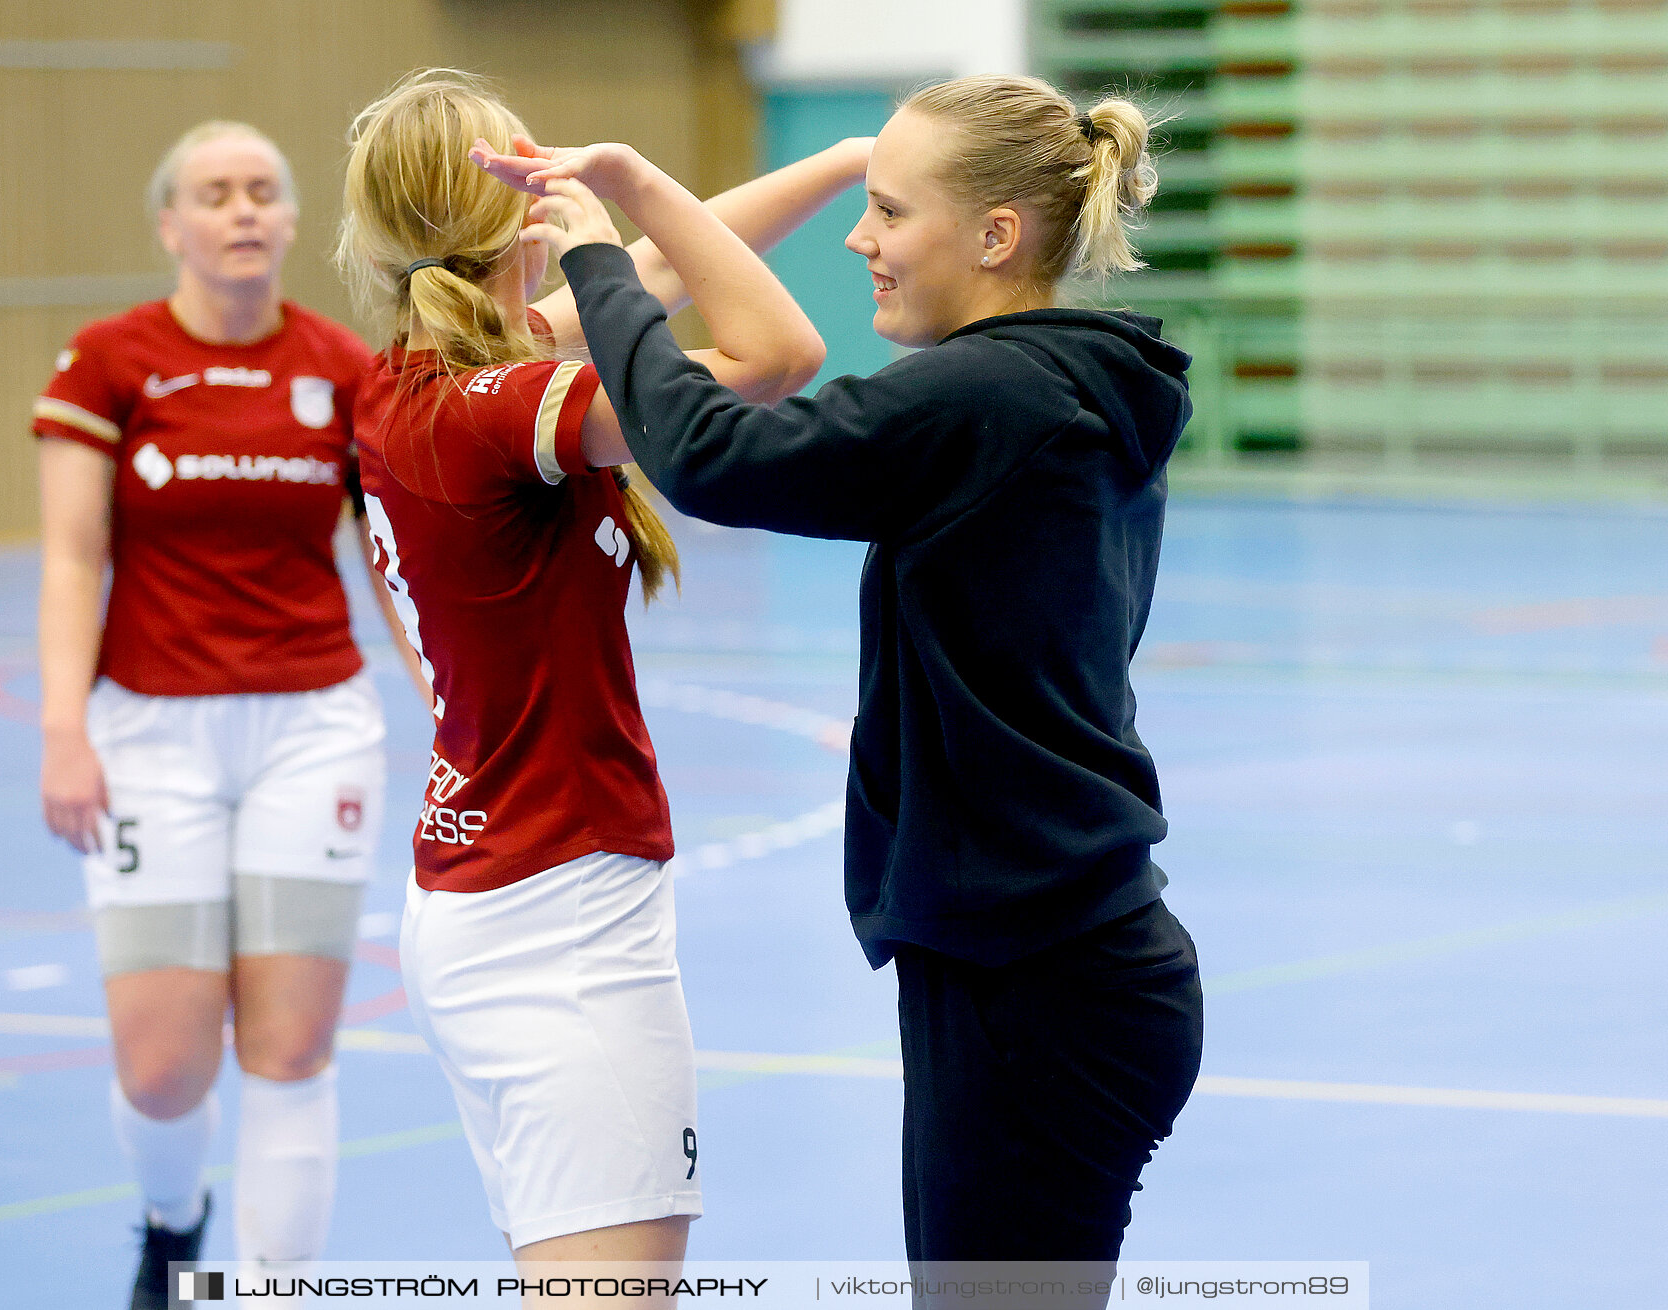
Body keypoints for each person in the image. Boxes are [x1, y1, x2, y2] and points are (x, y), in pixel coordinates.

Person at [486, 73, 1204, 1300]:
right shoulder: (1063, 385)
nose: (860, 241)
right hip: (1047, 958)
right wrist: (640, 185)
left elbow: (716, 453)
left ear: (994, 237)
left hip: (1039, 980)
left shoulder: (992, 393)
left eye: (887, 211)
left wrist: (603, 263)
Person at [334, 68, 863, 1293]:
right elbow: (777, 354)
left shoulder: (424, 370)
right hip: (558, 907)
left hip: (496, 880)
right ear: (514, 202)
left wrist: (843, 161)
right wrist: (619, 184)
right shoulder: (497, 404)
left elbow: (662, 269)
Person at [34, 120, 420, 1310]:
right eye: (215, 193)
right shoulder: (108, 362)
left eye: (263, 190)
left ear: (293, 221)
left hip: (314, 726)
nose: (243, 209)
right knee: (162, 1068)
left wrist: (457, 711)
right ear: (171, 225)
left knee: (292, 1046)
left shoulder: (346, 367)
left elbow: (393, 562)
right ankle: (170, 1217)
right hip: (152, 731)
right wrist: (65, 729)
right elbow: (70, 557)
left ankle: (264, 1292)